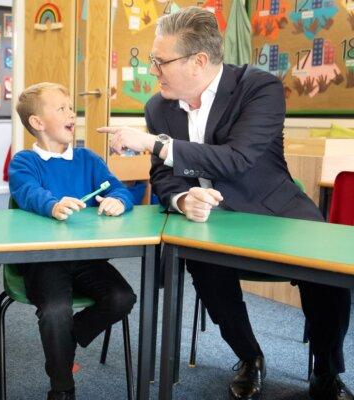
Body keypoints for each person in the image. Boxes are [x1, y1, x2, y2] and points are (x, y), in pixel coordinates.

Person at [98, 7, 351, 400]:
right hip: (211, 220)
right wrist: (183, 199)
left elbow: (237, 159)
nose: (153, 70)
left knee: (327, 278)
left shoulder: (259, 87)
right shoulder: (157, 107)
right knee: (202, 263)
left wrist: (155, 143)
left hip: (277, 212)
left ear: (198, 61)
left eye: (160, 61)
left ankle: (327, 371)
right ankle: (249, 358)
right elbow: (163, 175)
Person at [8, 82, 137, 400]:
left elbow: (118, 188)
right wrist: (52, 204)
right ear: (37, 123)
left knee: (122, 298)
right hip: (44, 260)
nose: (72, 113)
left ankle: (67, 336)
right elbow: (28, 193)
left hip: (86, 258)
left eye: (71, 107)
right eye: (61, 108)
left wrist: (119, 201)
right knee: (54, 312)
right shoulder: (24, 162)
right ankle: (62, 388)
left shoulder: (89, 160)